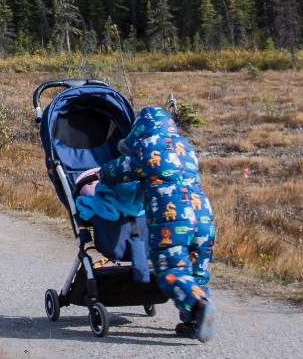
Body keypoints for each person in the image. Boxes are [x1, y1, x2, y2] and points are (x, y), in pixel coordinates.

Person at [84, 105, 216, 341]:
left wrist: (99, 174)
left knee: (173, 269)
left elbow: (119, 171)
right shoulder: (185, 146)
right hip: (203, 215)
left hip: (172, 218)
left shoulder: (145, 147)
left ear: (139, 131)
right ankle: (193, 323)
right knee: (197, 271)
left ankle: (197, 306)